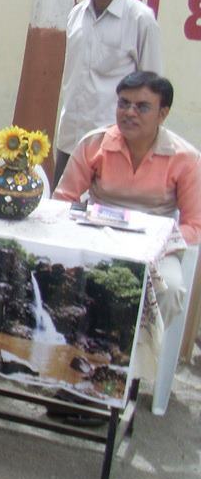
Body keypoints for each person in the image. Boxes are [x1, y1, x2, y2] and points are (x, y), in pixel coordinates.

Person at [55, 72, 200, 344]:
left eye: (142, 107)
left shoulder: (186, 158)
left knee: (170, 289)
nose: (129, 113)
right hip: (96, 235)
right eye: (123, 103)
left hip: (156, 247)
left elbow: (194, 226)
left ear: (163, 113)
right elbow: (63, 200)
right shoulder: (94, 144)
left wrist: (158, 243)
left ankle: (139, 357)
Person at [54, 0, 161, 183]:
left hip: (115, 143)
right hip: (71, 139)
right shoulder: (76, 15)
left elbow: (153, 88)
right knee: (62, 204)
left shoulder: (140, 19)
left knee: (107, 206)